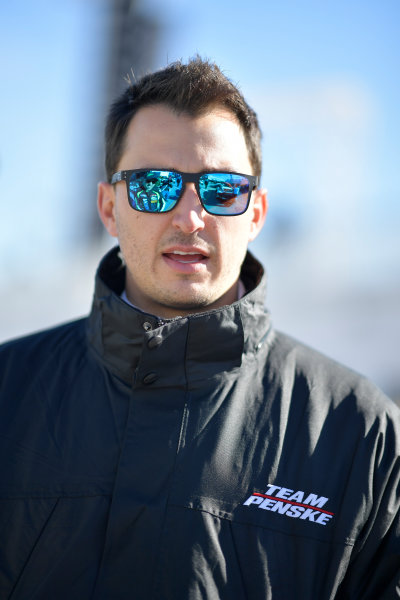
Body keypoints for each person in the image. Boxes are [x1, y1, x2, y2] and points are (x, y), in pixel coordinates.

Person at [0, 57, 399, 600]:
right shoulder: (9, 393)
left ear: (255, 213)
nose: (189, 217)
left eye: (221, 189)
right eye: (153, 185)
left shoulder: (359, 433)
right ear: (109, 208)